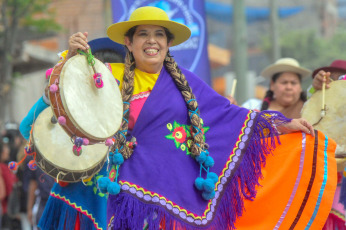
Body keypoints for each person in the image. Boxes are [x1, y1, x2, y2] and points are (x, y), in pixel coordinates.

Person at [24, 6, 336, 230]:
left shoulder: (187, 84)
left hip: (164, 201)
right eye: (142, 34)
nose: (152, 40)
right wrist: (70, 61)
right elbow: (50, 114)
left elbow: (232, 118)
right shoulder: (103, 77)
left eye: (159, 34)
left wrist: (283, 125)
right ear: (128, 43)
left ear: (168, 43)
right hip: (104, 196)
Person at [19, 37, 125, 230]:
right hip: (76, 210)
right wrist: (54, 90)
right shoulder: (69, 111)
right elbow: (28, 128)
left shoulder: (129, 110)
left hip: (118, 207)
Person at [309, 60, 346, 230]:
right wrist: (317, 87)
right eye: (334, 76)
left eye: (341, 76)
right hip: (328, 176)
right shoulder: (320, 97)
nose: (337, 80)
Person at [243, 58, 311, 119]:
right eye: (284, 82)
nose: (289, 87)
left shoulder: (309, 111)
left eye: (293, 83)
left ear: (300, 87)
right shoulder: (252, 106)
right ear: (272, 85)